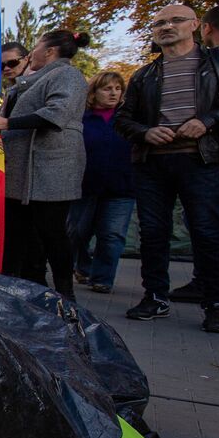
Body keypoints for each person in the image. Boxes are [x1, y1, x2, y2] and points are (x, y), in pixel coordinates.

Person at [113, 4, 219, 332]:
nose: (167, 26)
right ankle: (155, 296)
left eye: (175, 20)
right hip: (153, 161)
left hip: (202, 160)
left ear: (195, 25)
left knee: (207, 231)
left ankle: (218, 303)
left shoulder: (218, 63)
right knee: (152, 232)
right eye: (159, 23)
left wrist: (207, 121)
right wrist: (145, 132)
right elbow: (122, 119)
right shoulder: (144, 75)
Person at [0, 29, 89, 299]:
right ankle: (20, 291)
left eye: (35, 48)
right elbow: (5, 119)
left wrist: (7, 123)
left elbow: (56, 113)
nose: (32, 53)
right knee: (17, 237)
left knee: (51, 234)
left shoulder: (66, 75)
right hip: (20, 176)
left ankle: (66, 297)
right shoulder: (24, 85)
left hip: (49, 173)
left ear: (49, 51)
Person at [67, 71, 134, 294]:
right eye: (107, 88)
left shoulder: (127, 119)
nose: (113, 93)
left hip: (121, 185)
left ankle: (103, 277)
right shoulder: (81, 119)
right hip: (85, 184)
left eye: (117, 88)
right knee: (77, 232)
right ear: (94, 93)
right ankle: (82, 266)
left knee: (112, 234)